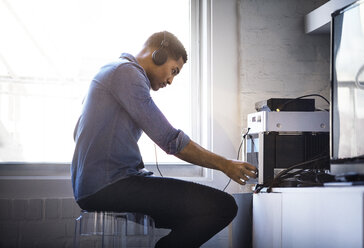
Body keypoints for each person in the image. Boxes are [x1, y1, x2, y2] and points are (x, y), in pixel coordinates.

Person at [71, 31, 257, 248]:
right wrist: (225, 165)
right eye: (173, 71)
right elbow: (170, 140)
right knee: (222, 206)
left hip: (95, 186)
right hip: (110, 185)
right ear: (157, 55)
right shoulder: (127, 74)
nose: (170, 80)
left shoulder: (113, 71)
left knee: (194, 216)